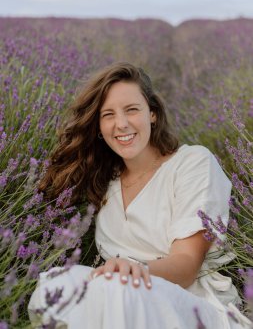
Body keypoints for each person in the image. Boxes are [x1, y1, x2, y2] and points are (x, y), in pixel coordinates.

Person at [28, 62, 251, 328]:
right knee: (59, 282)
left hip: (191, 306)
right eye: (107, 114)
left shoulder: (192, 163)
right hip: (117, 297)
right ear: (98, 126)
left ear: (152, 113)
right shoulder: (106, 180)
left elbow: (187, 264)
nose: (121, 124)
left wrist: (135, 268)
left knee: (122, 289)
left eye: (131, 110)